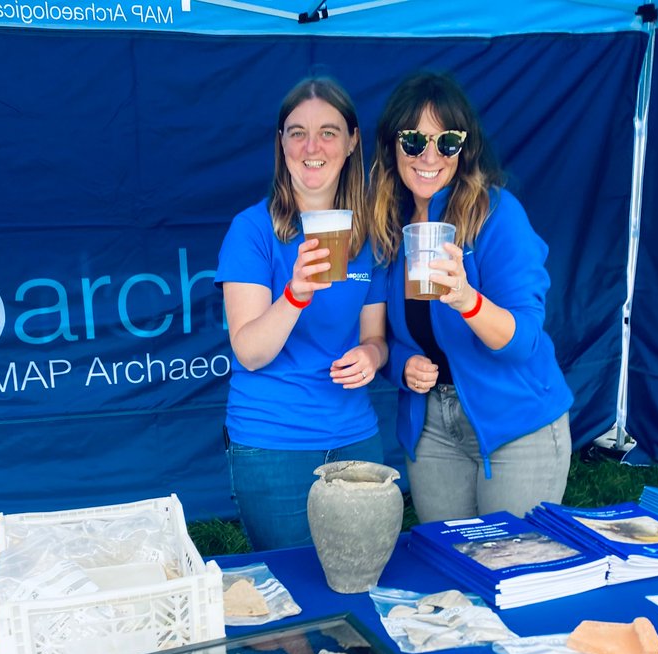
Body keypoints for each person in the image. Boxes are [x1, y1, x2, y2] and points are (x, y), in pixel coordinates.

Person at [368, 71, 573, 523]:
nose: (430, 156)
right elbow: (380, 335)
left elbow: (523, 341)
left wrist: (467, 300)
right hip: (432, 430)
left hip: (517, 423)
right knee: (450, 569)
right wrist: (402, 364)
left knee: (513, 570)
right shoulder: (386, 227)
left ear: (465, 148)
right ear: (392, 145)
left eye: (447, 142)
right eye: (414, 141)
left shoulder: (497, 215)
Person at [216, 77, 388, 552]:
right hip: (273, 441)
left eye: (328, 132)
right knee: (294, 589)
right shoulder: (252, 231)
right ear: (281, 143)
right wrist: (294, 293)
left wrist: (372, 356)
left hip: (355, 433)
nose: (312, 146)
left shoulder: (369, 233)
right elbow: (250, 352)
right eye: (297, 132)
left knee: (361, 574)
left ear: (352, 141)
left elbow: (375, 336)